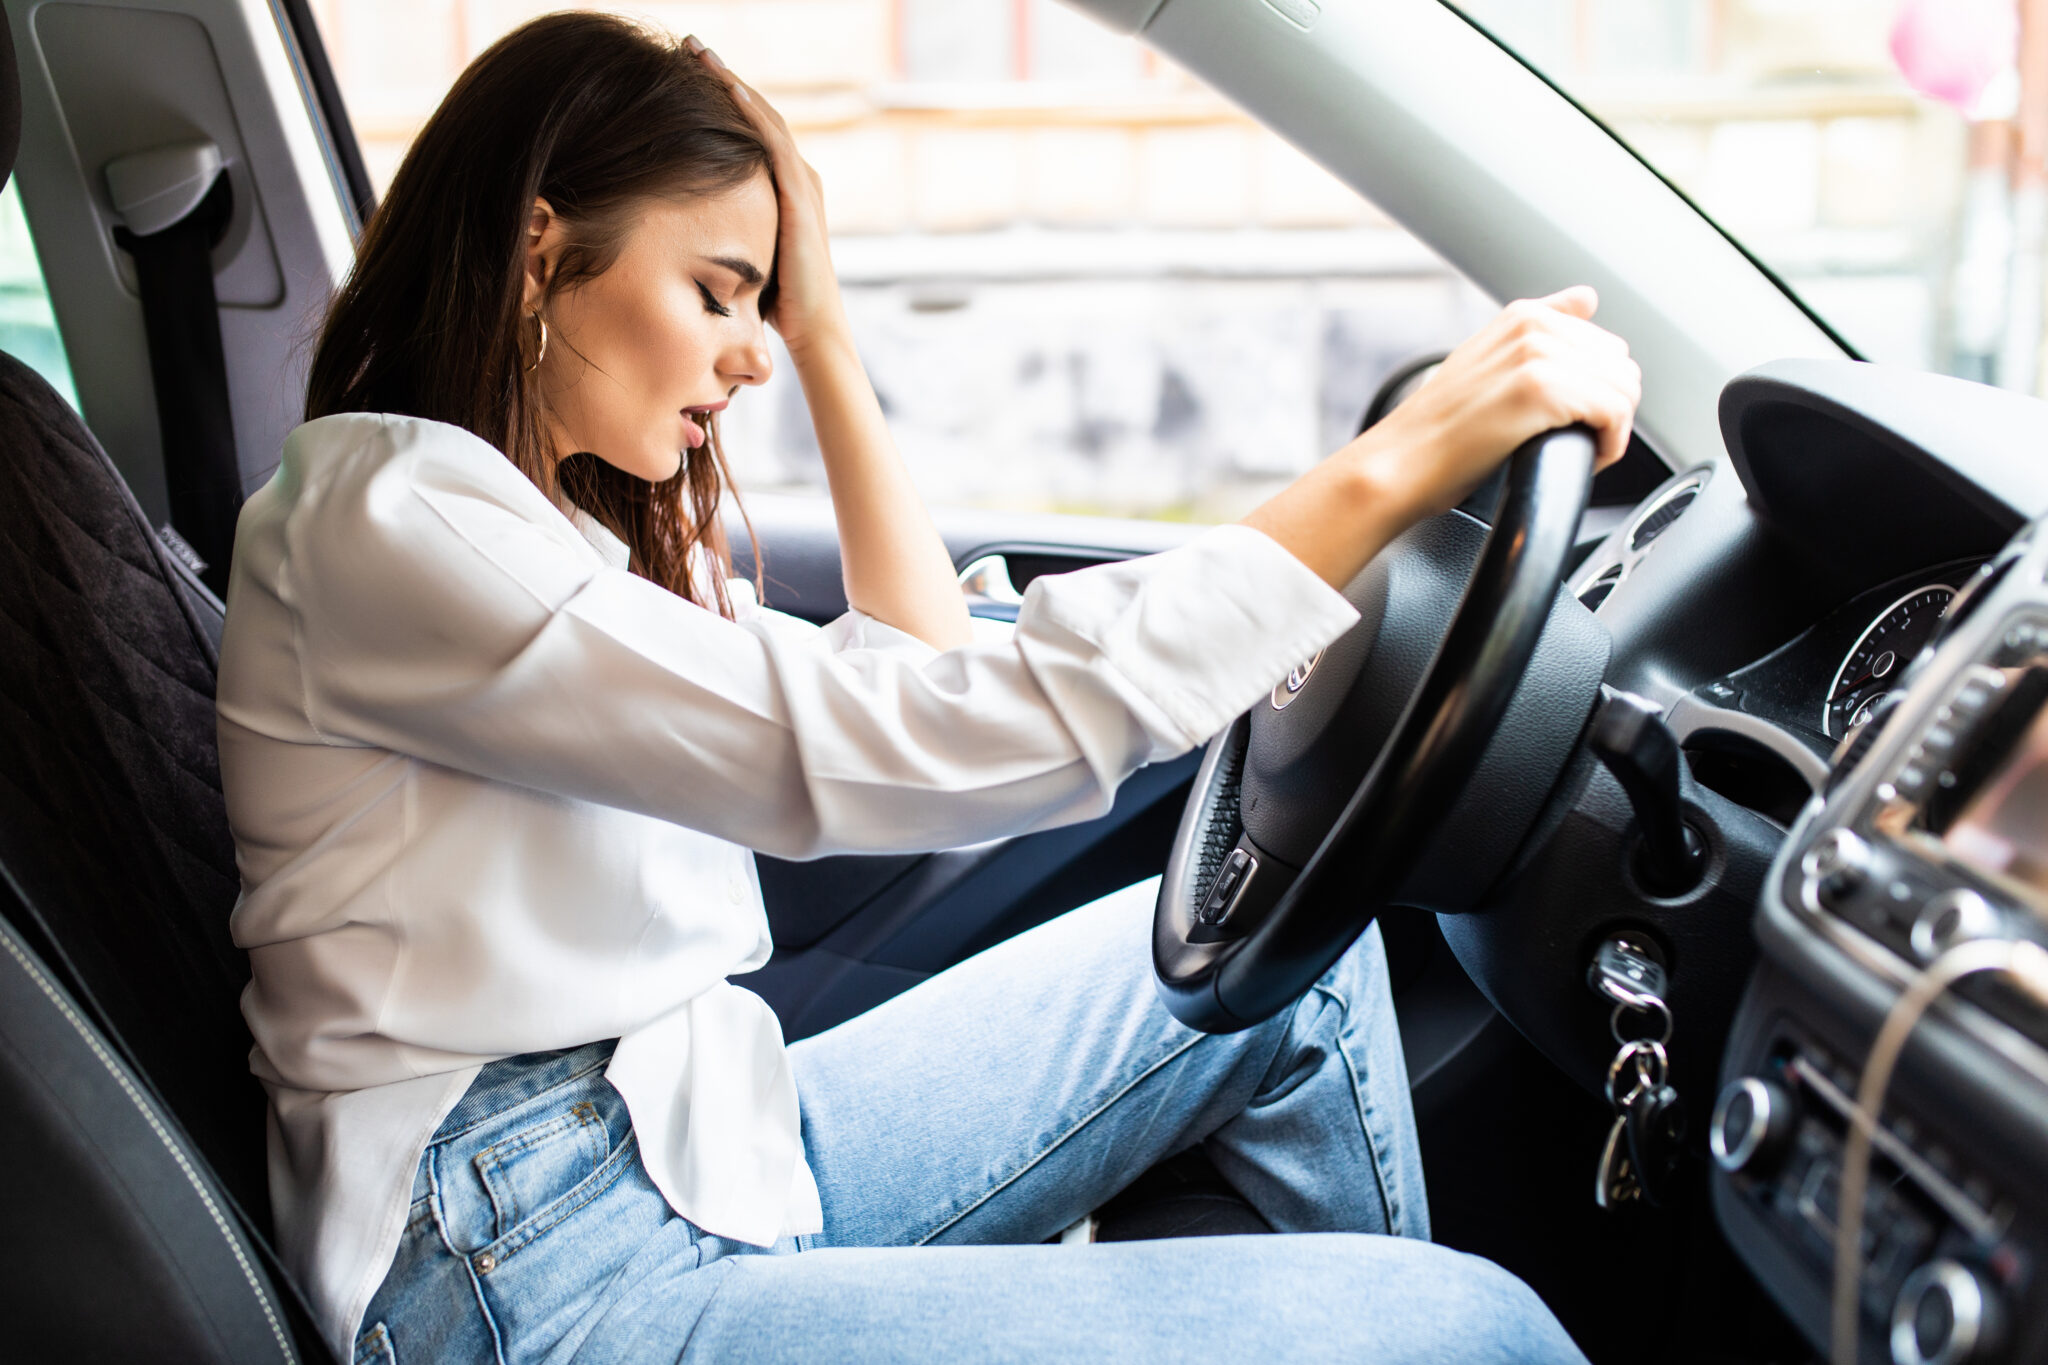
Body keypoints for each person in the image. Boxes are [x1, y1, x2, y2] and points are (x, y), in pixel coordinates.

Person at [215, 13, 1640, 1364]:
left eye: (763, 305)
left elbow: (919, 671)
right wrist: (1404, 460)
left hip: (692, 1132)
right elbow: (883, 740)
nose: (750, 348)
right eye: (716, 291)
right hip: (524, 1274)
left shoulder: (534, 532)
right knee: (1472, 1329)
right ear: (541, 252)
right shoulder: (389, 523)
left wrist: (827, 328)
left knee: (1297, 987)